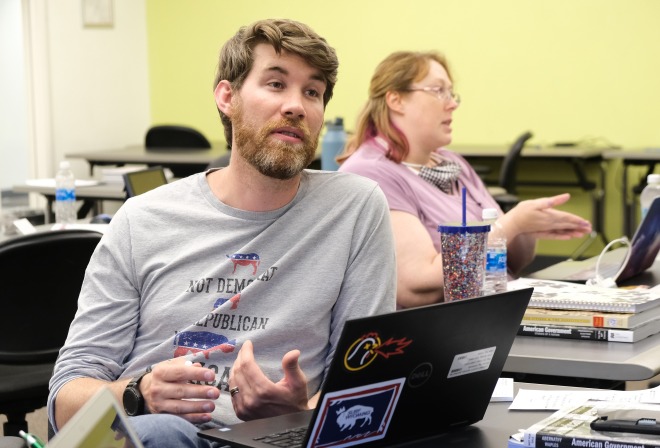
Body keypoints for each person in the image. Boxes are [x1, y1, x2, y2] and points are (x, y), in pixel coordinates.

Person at [48, 19, 396, 447]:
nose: (296, 106)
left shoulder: (355, 208)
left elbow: (368, 382)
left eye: (313, 92)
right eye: (275, 84)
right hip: (156, 437)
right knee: (165, 433)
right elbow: (65, 403)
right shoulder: (141, 220)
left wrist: (299, 412)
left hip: (281, 440)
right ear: (227, 97)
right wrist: (138, 394)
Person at [338, 51, 592, 309]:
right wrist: (511, 224)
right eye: (438, 90)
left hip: (500, 307)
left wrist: (527, 227)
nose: (452, 104)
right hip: (447, 328)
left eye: (451, 93)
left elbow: (514, 262)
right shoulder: (370, 172)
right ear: (396, 100)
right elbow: (418, 283)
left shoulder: (452, 163)